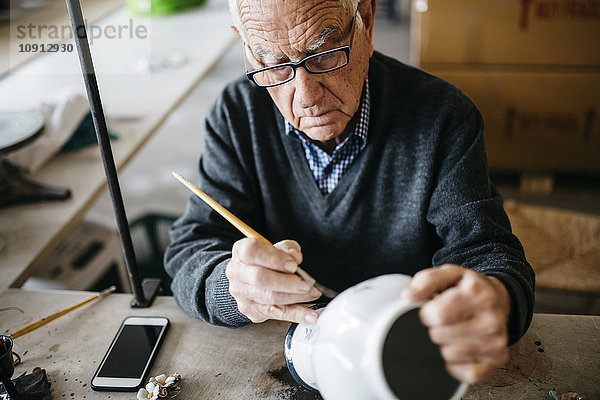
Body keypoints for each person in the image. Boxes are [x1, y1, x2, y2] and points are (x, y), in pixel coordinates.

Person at [165, 0, 535, 383]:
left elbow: (489, 253)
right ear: (246, 48)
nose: (305, 95)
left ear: (367, 22)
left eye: (324, 54)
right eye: (274, 64)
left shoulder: (443, 116)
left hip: (405, 352)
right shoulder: (237, 114)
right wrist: (233, 285)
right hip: (289, 354)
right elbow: (190, 249)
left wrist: (496, 299)